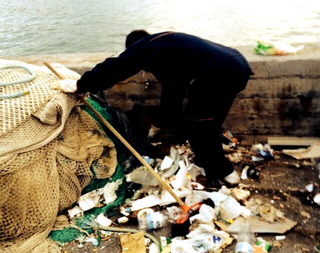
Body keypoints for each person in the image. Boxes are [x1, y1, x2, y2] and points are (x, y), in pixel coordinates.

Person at [76, 30, 253, 187]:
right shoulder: (169, 47)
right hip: (237, 65)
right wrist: (159, 124)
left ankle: (226, 174)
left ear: (133, 45)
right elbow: (173, 93)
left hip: (218, 73)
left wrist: (82, 85)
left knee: (201, 128)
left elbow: (117, 67)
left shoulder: (145, 46)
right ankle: (205, 161)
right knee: (209, 125)